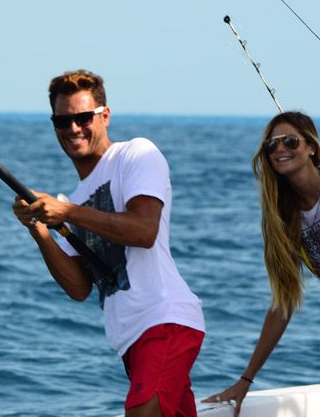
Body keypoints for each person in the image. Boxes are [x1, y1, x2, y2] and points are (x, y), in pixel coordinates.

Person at [12, 69, 205, 417]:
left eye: (83, 117)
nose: (73, 129)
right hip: (129, 339)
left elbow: (144, 231)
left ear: (105, 115)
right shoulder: (74, 197)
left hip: (164, 321)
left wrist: (67, 212)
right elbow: (79, 287)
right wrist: (39, 230)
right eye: (62, 120)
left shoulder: (136, 154)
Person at [203, 111, 320, 417]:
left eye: (290, 141)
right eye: (272, 145)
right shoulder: (285, 222)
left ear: (311, 147)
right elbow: (283, 303)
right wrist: (245, 379)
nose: (281, 149)